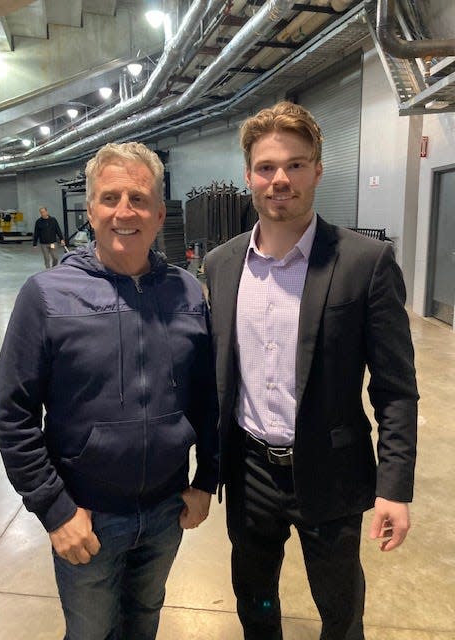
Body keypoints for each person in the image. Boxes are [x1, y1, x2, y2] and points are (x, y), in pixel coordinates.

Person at [204, 101, 418, 640]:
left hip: (333, 470)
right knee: (254, 604)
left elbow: (395, 389)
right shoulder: (221, 265)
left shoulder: (365, 262)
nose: (281, 179)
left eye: (296, 165)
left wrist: (395, 487)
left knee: (341, 613)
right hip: (250, 470)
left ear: (319, 170)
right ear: (248, 175)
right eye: (267, 167)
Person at [0, 141, 218, 640]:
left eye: (138, 199)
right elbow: (14, 415)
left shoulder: (185, 292)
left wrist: (207, 480)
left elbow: (208, 396)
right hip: (86, 518)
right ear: (91, 211)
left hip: (166, 512)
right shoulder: (48, 296)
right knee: (91, 632)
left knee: (144, 622)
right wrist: (55, 510)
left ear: (160, 213)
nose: (124, 212)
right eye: (110, 198)